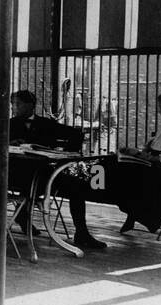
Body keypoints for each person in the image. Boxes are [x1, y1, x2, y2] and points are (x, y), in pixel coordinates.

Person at [9, 90, 106, 251]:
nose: (14, 107)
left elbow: (76, 134)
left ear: (30, 105)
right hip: (18, 176)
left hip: (45, 175)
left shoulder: (46, 124)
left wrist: (64, 154)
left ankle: (82, 232)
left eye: (18, 104)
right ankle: (22, 216)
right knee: (27, 186)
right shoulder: (9, 124)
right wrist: (12, 143)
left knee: (77, 186)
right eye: (13, 104)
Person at [117, 92, 161, 234]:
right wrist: (138, 152)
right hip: (153, 163)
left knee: (135, 181)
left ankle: (134, 216)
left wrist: (150, 158)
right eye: (160, 107)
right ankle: (131, 214)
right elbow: (156, 146)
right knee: (125, 173)